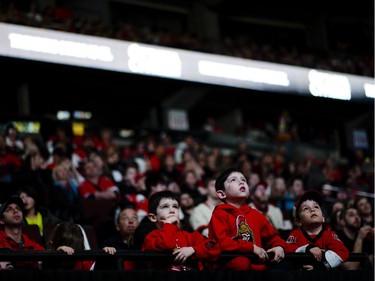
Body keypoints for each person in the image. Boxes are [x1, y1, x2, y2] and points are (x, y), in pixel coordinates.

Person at [208, 168, 286, 271]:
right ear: (222, 194)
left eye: (243, 180)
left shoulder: (256, 214)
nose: (241, 182)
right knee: (241, 263)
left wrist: (279, 246)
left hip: (258, 268)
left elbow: (273, 237)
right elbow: (222, 243)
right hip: (229, 268)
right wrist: (252, 248)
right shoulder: (219, 213)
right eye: (233, 180)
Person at [141, 190, 221, 271]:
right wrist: (169, 224)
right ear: (153, 217)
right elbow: (166, 244)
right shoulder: (151, 237)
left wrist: (193, 249)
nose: (172, 210)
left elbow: (213, 244)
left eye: (175, 206)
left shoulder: (190, 236)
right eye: (165, 206)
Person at [285, 190, 349, 270]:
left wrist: (321, 266)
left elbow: (343, 252)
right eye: (306, 209)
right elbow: (287, 249)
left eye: (316, 207)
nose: (312, 210)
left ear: (323, 217)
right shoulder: (296, 234)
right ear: (298, 221)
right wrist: (308, 248)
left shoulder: (329, 235)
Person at [45, 221, 116, 270]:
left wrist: (105, 255)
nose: (69, 251)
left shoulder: (83, 261)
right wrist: (56, 254)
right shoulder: (48, 260)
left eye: (73, 248)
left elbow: (96, 268)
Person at [0, 195, 45, 269]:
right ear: (1, 220)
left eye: (18, 208)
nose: (16, 211)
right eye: (9, 209)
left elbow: (48, 259)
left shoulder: (30, 243)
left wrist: (60, 251)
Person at [98, 205, 140, 270]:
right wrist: (105, 252)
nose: (131, 221)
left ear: (139, 224)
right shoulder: (110, 243)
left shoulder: (144, 243)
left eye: (134, 218)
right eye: (126, 218)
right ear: (118, 226)